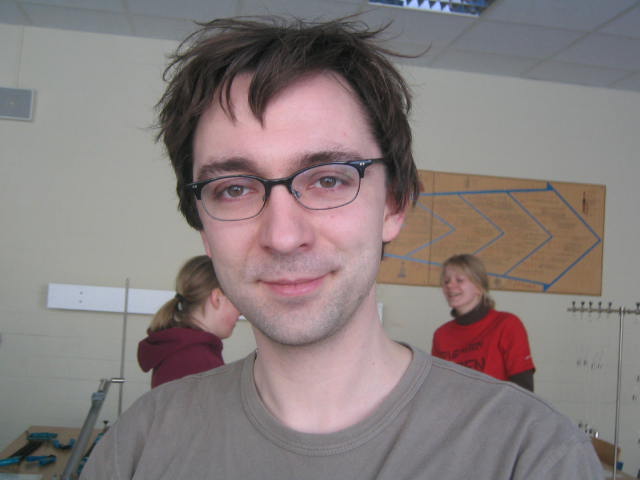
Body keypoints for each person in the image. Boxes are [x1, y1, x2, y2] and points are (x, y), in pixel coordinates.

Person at [81, 17, 601, 479]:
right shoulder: (137, 448)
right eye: (234, 189)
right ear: (202, 226)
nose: (283, 236)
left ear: (394, 205)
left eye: (329, 179)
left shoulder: (533, 456)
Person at [432, 254, 536, 391]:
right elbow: (437, 387)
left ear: (479, 287)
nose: (450, 285)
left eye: (459, 280)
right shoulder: (441, 335)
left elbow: (523, 388)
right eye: (446, 281)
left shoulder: (507, 324)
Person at [137, 255, 240, 388]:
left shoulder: (182, 350)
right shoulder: (197, 361)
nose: (241, 311)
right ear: (217, 298)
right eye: (235, 300)